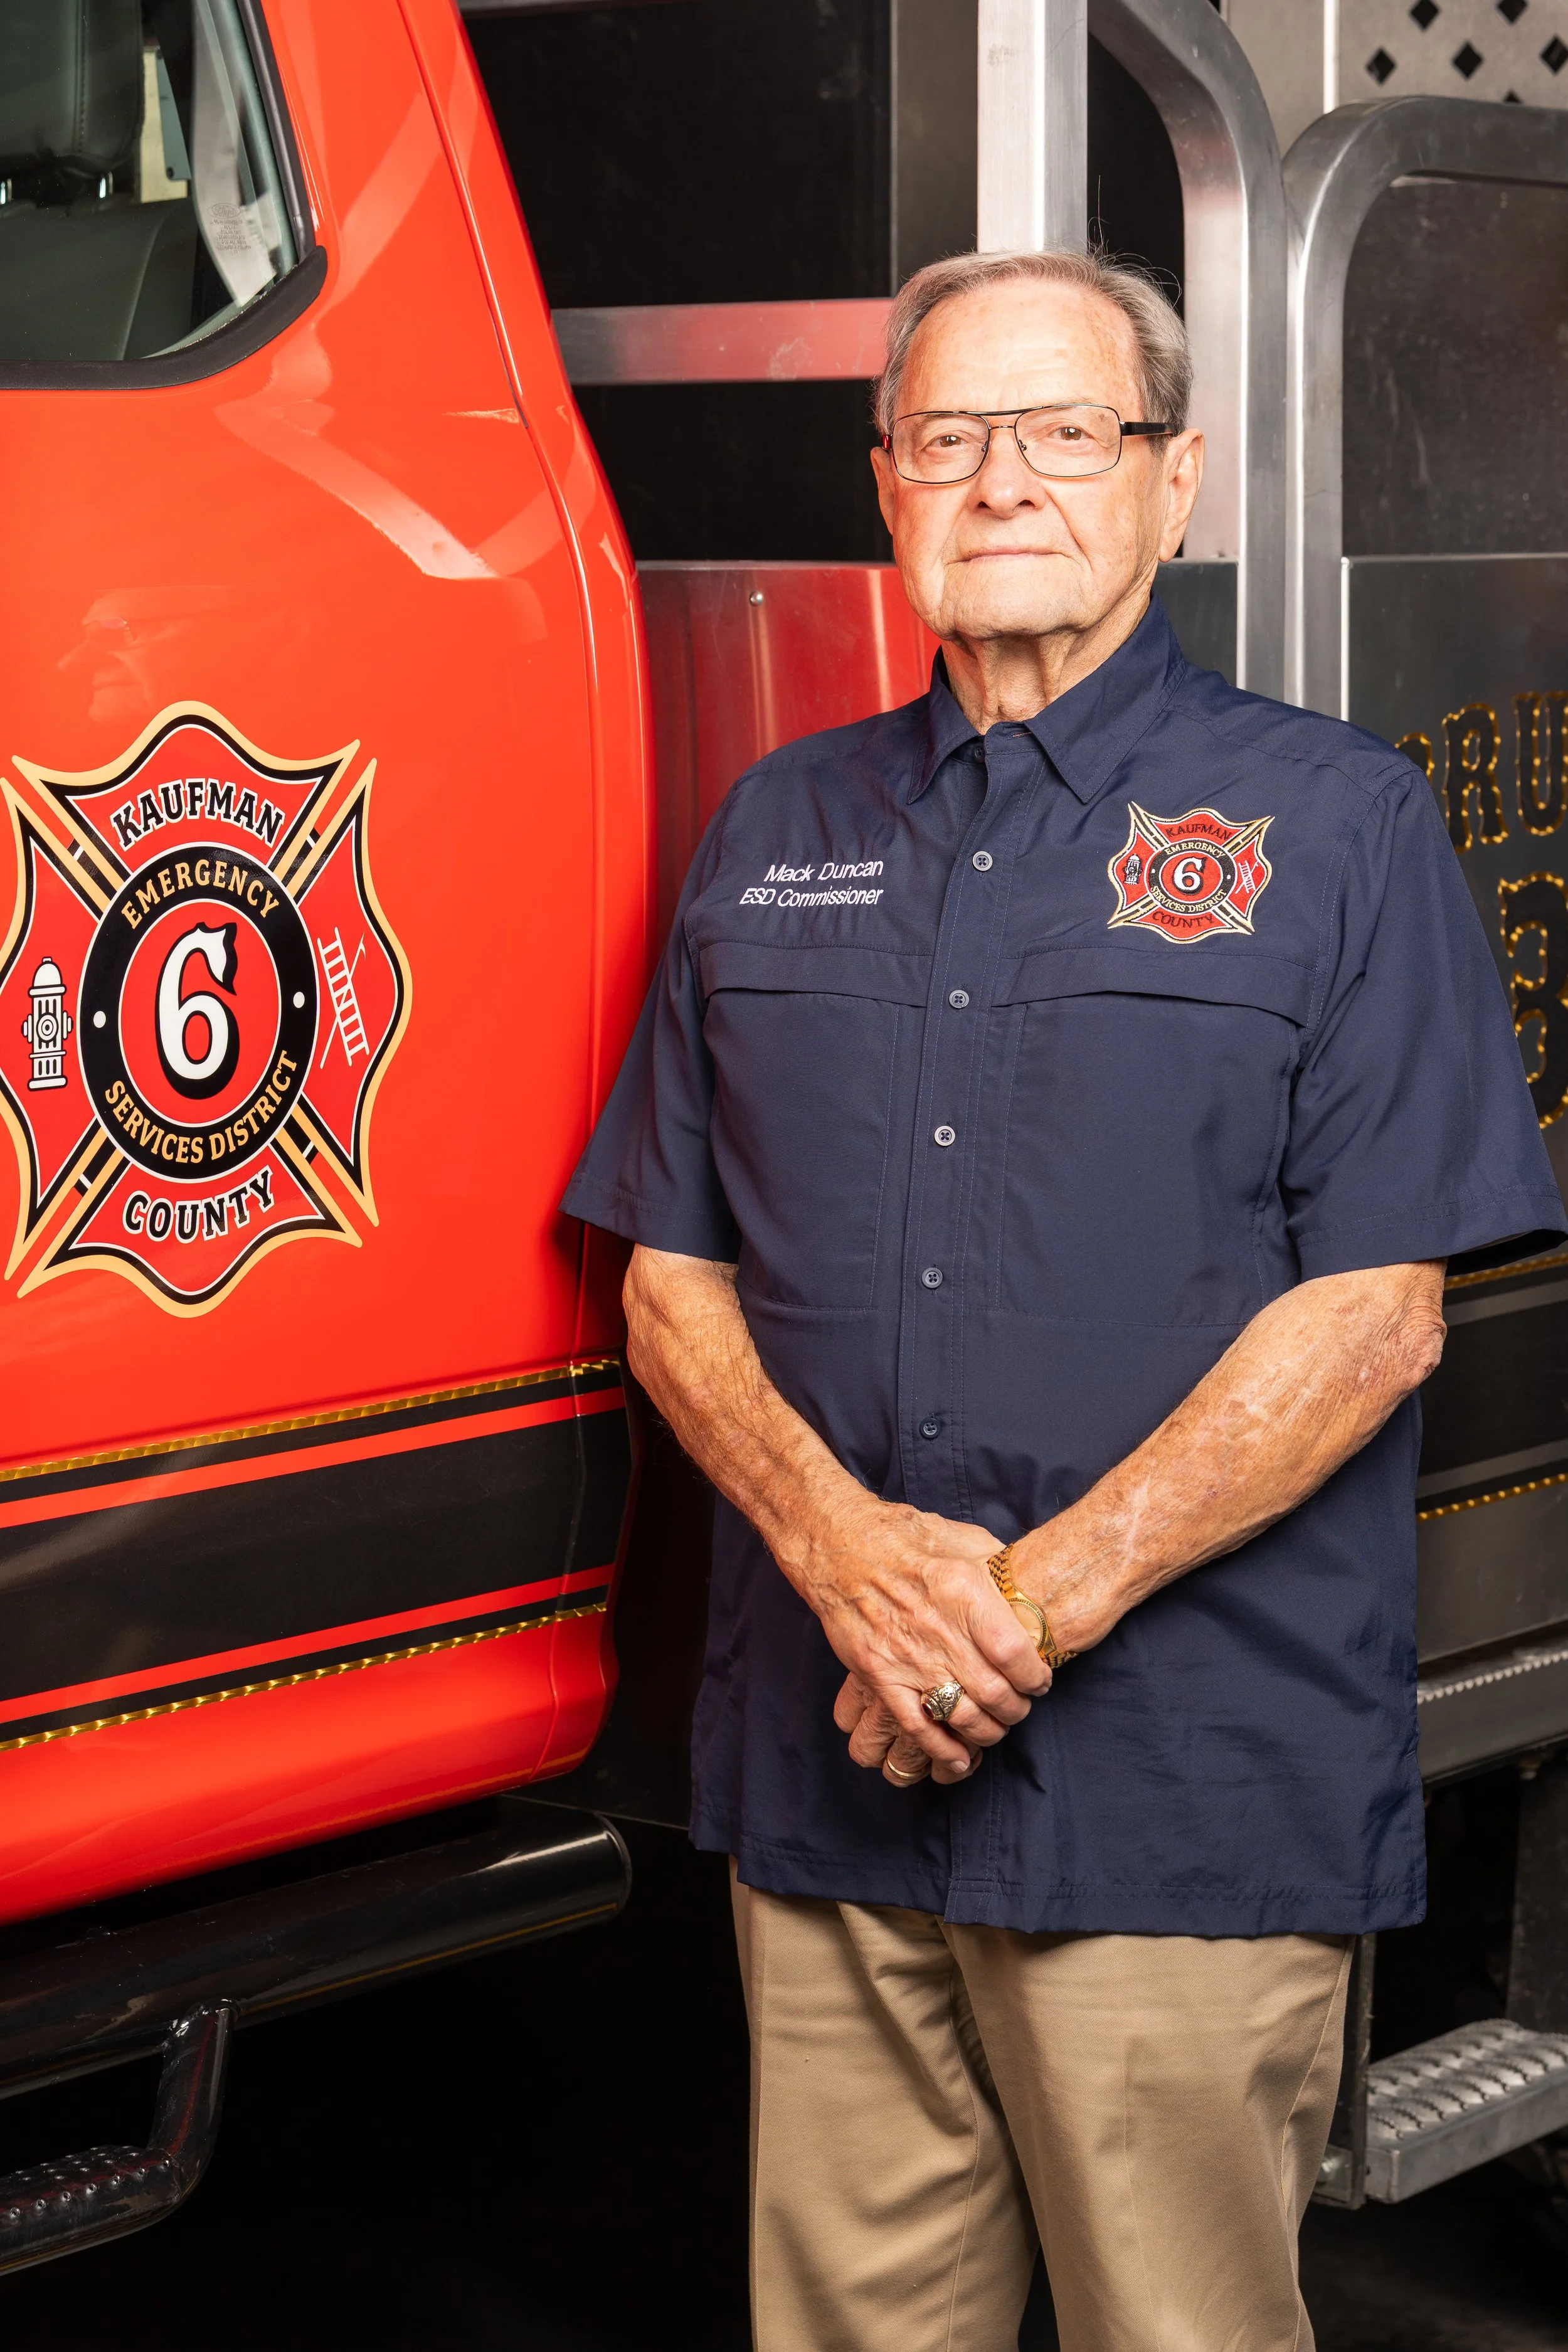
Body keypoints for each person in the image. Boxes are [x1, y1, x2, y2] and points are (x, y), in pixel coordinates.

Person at [562, 248, 1565, 2351]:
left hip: (1176, 1804)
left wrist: (1012, 1615)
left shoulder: (1337, 827)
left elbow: (1373, 1312)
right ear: (887, 488)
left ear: (1172, 481)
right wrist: (850, 1565)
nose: (1004, 478)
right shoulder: (775, 829)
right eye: (949, 435)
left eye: (1067, 432)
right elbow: (669, 1279)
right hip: (828, 1785)